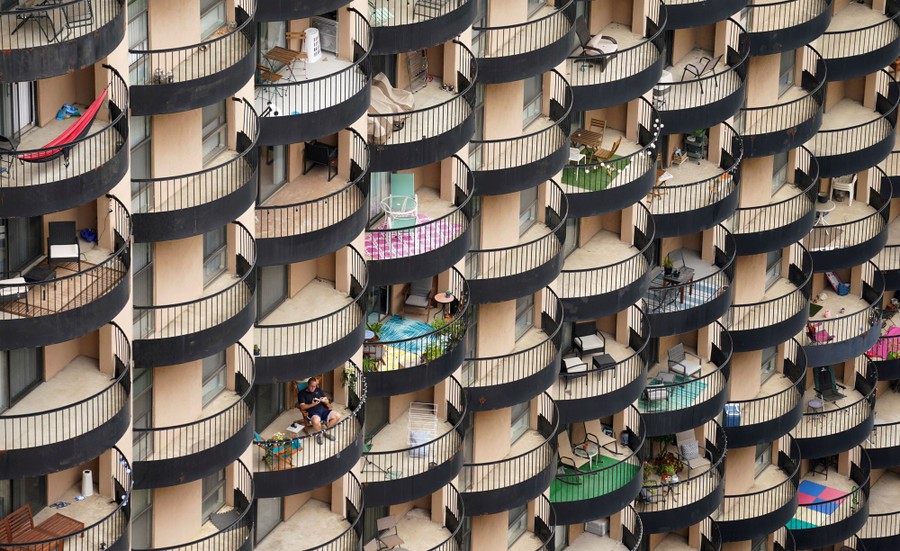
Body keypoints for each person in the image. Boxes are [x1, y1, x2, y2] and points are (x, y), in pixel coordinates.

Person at [297, 377, 342, 445]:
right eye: (311, 386)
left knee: (337, 416)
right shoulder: (302, 393)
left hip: (323, 410)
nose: (313, 388)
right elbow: (302, 407)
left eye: (314, 386)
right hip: (313, 413)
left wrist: (325, 401)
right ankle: (320, 434)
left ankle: (326, 432)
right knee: (315, 421)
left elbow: (327, 402)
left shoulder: (318, 390)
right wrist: (312, 404)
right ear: (308, 384)